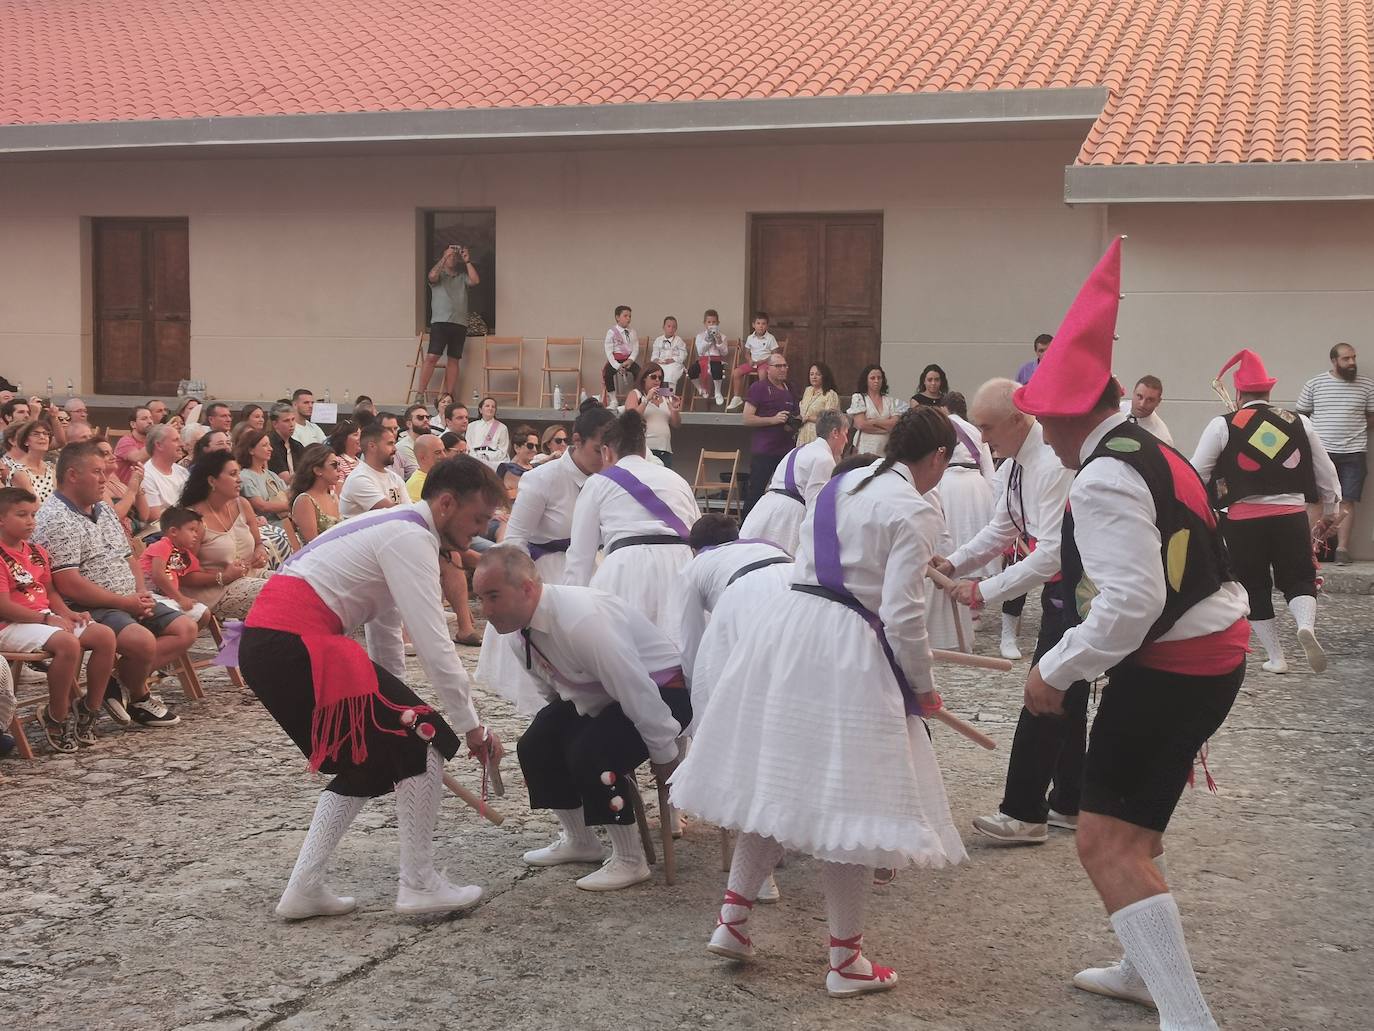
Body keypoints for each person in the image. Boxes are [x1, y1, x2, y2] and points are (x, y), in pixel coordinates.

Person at [1012, 238, 1250, 1029]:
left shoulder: (1107, 470)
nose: (1042, 433)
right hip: (1209, 650)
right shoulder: (1147, 442)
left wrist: (1056, 667)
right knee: (1135, 831)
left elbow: (1129, 603)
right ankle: (1143, 962)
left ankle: (1186, 1015)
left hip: (1177, 664)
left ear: (1076, 407)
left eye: (1045, 417)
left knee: (1105, 840)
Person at [671, 407, 967, 998]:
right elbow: (906, 614)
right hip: (848, 645)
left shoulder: (841, 482)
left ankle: (732, 920)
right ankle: (845, 961)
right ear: (935, 457)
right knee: (849, 798)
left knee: (776, 779)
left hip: (788, 627)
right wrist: (924, 685)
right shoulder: (915, 508)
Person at [229, 456, 507, 919]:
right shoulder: (411, 537)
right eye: (476, 519)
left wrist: (399, 705)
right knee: (427, 736)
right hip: (293, 642)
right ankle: (418, 884)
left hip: (275, 645)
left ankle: (304, 889)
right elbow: (436, 646)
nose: (478, 530)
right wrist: (471, 728)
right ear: (445, 503)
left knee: (371, 761)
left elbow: (384, 631)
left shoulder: (396, 527)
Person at [473, 546, 690, 891]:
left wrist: (665, 755)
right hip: (603, 695)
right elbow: (552, 689)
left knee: (592, 751)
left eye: (493, 596)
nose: (485, 610)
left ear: (527, 588)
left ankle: (630, 859)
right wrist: (559, 730)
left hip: (662, 691)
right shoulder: (516, 634)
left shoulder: (582, 619)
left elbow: (635, 687)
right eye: (480, 598)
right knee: (537, 743)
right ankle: (581, 840)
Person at [934, 377, 1081, 842]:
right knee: (1065, 695)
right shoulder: (1017, 461)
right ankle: (1070, 802)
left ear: (1019, 420)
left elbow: (1052, 552)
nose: (981, 438)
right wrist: (955, 561)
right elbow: (1002, 527)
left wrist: (984, 590)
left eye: (988, 427)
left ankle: (1024, 813)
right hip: (1063, 590)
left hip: (1078, 590)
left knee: (1044, 694)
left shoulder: (1052, 463)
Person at [1192, 349, 1341, 674]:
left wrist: (1196, 513)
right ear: (1269, 391)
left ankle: (1276, 657)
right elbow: (1326, 470)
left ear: (1239, 392)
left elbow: (1196, 472)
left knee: (1253, 585)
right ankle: (1306, 626)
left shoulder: (1223, 424)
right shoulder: (1299, 422)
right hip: (1290, 516)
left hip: (1243, 522)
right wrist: (1331, 508)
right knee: (1299, 577)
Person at [34, 441, 192, 728]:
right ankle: (140, 696)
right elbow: (68, 584)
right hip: (88, 606)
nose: (105, 478)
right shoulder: (56, 518)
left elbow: (128, 555)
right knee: (142, 642)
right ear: (72, 475)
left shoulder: (102, 509)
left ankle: (113, 680)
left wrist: (140, 592)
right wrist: (124, 602)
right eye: (96, 472)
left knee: (185, 629)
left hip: (127, 596)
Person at [476, 403, 616, 716]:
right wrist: (527, 587)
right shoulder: (543, 479)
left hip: (589, 570)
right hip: (543, 574)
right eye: (597, 449)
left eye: (610, 450)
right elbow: (515, 538)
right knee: (546, 667)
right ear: (576, 441)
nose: (605, 458)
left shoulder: (608, 478)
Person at [0, 486, 118, 753]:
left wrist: (67, 613)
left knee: (104, 636)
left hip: (42, 619)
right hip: (10, 624)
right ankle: (56, 716)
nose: (31, 521)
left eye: (33, 514)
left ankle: (89, 709)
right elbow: (4, 606)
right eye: (22, 515)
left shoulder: (36, 551)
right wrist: (46, 619)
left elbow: (50, 592)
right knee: (67, 644)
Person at [564, 410, 700, 633]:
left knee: (626, 652)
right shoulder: (677, 480)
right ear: (645, 450)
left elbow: (580, 556)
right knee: (678, 649)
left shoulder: (598, 483)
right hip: (679, 565)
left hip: (627, 568)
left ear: (606, 452)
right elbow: (698, 535)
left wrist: (569, 613)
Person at [925, 392, 998, 651]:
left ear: (945, 408)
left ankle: (962, 599)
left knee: (953, 538)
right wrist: (992, 497)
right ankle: (973, 609)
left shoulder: (941, 427)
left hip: (949, 484)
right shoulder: (976, 432)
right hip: (976, 485)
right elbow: (988, 468)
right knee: (974, 536)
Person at [1296, 342, 1374, 563]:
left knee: (1348, 501)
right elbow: (1301, 415)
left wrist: (1354, 427)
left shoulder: (1367, 386)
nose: (1352, 363)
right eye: (1346, 359)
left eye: (1353, 358)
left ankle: (1341, 549)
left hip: (1354, 452)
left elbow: (1372, 415)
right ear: (1334, 361)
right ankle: (1309, 549)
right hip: (1321, 452)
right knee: (1316, 500)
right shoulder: (1315, 384)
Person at [739, 409, 850, 555]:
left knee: (749, 557)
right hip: (787, 517)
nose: (847, 440)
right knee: (781, 567)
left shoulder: (797, 450)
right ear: (835, 432)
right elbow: (816, 505)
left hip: (764, 508)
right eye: (846, 434)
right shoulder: (824, 459)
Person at [181, 451, 273, 619]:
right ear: (212, 481)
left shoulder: (242, 505)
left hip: (252, 575)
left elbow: (259, 543)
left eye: (238, 473)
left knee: (297, 582)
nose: (240, 479)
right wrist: (223, 576)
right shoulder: (193, 520)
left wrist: (260, 553)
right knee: (278, 593)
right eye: (232, 474)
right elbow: (183, 576)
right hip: (216, 590)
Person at [741, 354, 800, 516]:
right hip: (765, 450)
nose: (783, 369)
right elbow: (747, 419)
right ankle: (745, 529)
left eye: (785, 366)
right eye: (778, 366)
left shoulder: (790, 388)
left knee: (787, 491)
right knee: (756, 491)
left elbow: (796, 414)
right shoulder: (759, 388)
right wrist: (773, 420)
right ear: (768, 369)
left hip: (786, 450)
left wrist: (793, 423)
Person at [421, 243, 479, 402]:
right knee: (432, 356)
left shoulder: (461, 276)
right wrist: (444, 256)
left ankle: (449, 395)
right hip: (440, 322)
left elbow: (475, 280)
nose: (452, 258)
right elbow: (432, 276)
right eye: (450, 256)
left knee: (454, 359)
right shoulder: (439, 275)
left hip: (459, 323)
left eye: (455, 256)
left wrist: (467, 261)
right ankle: (420, 393)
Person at [139, 507, 212, 628]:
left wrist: (224, 574)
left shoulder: (185, 555)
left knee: (203, 613)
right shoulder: (162, 545)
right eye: (192, 530)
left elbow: (202, 572)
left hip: (169, 599)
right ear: (174, 531)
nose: (196, 535)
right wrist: (180, 598)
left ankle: (181, 643)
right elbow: (159, 576)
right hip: (151, 597)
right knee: (179, 617)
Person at [340, 425, 410, 517]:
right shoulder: (359, 478)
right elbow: (394, 514)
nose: (395, 449)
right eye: (390, 444)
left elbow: (408, 511)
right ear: (372, 446)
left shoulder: (395, 478)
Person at [624, 364, 682, 467]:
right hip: (645, 450)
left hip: (665, 450)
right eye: (653, 377)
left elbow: (676, 424)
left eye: (660, 378)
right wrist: (646, 400)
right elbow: (631, 418)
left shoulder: (665, 397)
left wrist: (675, 409)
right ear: (644, 378)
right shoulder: (636, 394)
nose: (657, 380)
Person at [237, 429, 293, 529]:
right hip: (266, 527)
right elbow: (261, 506)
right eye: (264, 445)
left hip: (286, 524)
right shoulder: (245, 477)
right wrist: (293, 506)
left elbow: (288, 494)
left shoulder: (272, 475)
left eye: (270, 445)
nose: (270, 449)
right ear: (251, 450)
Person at [725, 311, 780, 412]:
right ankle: (737, 398)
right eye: (758, 323)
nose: (761, 326)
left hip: (765, 363)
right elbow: (747, 352)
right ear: (753, 325)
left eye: (763, 324)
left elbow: (774, 355)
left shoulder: (770, 338)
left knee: (762, 373)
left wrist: (762, 361)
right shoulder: (750, 338)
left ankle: (762, 398)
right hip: (753, 363)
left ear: (767, 326)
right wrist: (749, 360)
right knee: (736, 372)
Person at [289, 444, 343, 543]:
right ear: (318, 470)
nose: (339, 469)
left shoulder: (333, 497)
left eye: (339, 465)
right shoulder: (305, 500)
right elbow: (313, 543)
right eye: (334, 465)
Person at [140, 423, 189, 525]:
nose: (182, 444)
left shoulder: (183, 472)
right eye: (175, 440)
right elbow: (154, 517)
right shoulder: (146, 475)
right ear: (159, 445)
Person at [3, 421, 57, 505]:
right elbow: (35, 506)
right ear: (25, 441)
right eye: (36, 434)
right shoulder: (19, 472)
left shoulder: (50, 469)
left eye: (45, 433)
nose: (42, 437)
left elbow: (58, 500)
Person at [849, 364, 899, 455]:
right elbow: (861, 424)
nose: (876, 381)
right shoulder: (859, 398)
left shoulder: (889, 401)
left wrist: (873, 421)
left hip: (885, 449)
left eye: (879, 378)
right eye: (872, 378)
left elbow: (895, 424)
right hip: (865, 448)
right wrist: (886, 428)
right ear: (866, 380)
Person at [601, 305, 641, 406]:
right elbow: (608, 351)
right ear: (617, 317)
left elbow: (636, 348)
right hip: (616, 360)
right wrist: (617, 366)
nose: (628, 318)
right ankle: (613, 399)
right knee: (607, 373)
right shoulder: (611, 332)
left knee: (640, 372)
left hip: (628, 360)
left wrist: (631, 360)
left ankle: (637, 398)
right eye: (625, 316)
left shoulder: (633, 332)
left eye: (630, 316)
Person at [797, 362, 841, 445]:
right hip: (803, 433)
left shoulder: (830, 394)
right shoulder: (808, 391)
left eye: (818, 374)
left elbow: (830, 420)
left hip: (818, 435)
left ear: (824, 376)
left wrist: (809, 418)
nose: (814, 377)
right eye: (811, 374)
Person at [1122, 375, 1173, 445]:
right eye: (1139, 396)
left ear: (1158, 402)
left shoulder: (1162, 438)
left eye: (1150, 400)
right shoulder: (1117, 409)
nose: (1142, 404)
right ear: (1133, 393)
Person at [693, 309, 729, 406]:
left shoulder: (723, 336)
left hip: (716, 360)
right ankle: (701, 389)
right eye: (709, 322)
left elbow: (725, 353)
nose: (711, 324)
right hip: (703, 359)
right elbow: (700, 351)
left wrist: (719, 342)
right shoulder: (700, 336)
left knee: (716, 368)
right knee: (692, 370)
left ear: (718, 323)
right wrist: (708, 341)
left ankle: (717, 392)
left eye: (714, 322)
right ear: (705, 323)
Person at [465, 396, 510, 471]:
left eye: (493, 407)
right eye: (487, 406)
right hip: (474, 460)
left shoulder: (502, 427)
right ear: (480, 410)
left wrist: (487, 457)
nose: (490, 408)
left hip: (494, 461)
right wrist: (476, 458)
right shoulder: (471, 426)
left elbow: (503, 450)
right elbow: (468, 445)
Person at [114, 406, 154, 484]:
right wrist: (158, 437)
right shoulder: (125, 441)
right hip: (125, 492)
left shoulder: (152, 442)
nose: (150, 421)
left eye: (150, 418)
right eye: (144, 419)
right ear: (133, 424)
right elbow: (138, 458)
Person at [650, 316, 689, 392]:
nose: (671, 329)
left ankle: (669, 397)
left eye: (673, 327)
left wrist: (673, 359)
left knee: (671, 372)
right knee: (654, 371)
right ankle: (658, 396)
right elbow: (655, 353)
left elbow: (683, 354)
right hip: (661, 363)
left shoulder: (678, 340)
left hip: (674, 363)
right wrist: (656, 359)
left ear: (676, 328)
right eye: (669, 326)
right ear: (663, 327)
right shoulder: (658, 340)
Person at [266, 403, 305, 479]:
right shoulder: (270, 445)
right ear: (275, 424)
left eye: (293, 419)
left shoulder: (297, 445)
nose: (292, 424)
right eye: (286, 421)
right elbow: (285, 478)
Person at [395, 404, 433, 477]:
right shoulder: (404, 446)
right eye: (420, 417)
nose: (425, 420)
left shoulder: (432, 443)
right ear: (409, 424)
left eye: (427, 417)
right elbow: (419, 474)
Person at [406, 434, 444, 502]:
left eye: (444, 451)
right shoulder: (417, 484)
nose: (444, 456)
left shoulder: (440, 476)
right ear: (423, 458)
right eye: (438, 453)